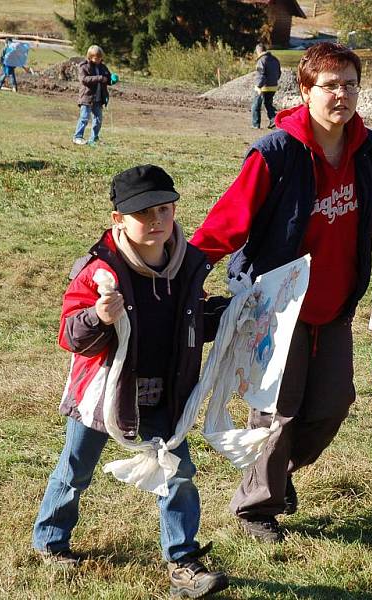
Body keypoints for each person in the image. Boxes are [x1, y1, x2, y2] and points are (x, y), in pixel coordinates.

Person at [191, 42, 372, 543]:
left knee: (334, 404)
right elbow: (230, 222)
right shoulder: (276, 153)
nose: (342, 94)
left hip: (336, 305)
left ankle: (276, 474)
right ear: (306, 90)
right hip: (280, 306)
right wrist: (184, 271)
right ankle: (257, 509)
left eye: (350, 84)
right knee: (277, 410)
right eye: (330, 85)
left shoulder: (367, 150)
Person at [32, 164, 230, 598]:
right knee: (75, 469)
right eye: (144, 214)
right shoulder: (100, 271)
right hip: (104, 395)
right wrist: (98, 317)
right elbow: (70, 335)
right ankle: (50, 539)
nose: (157, 221)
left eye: (164, 209)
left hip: (167, 394)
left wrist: (233, 314)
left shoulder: (188, 266)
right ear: (119, 219)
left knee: (177, 474)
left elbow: (192, 321)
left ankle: (183, 563)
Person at [73, 45, 116, 146]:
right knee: (84, 117)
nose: (98, 60)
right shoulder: (83, 66)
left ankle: (94, 138)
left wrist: (112, 79)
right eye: (96, 58)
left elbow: (107, 79)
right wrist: (100, 78)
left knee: (98, 119)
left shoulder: (103, 67)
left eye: (100, 57)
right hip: (86, 97)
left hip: (98, 98)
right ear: (90, 56)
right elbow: (84, 80)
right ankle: (77, 137)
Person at [252, 43, 281, 130]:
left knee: (255, 105)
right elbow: (279, 73)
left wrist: (258, 86)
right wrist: (274, 81)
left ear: (258, 51)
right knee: (268, 104)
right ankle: (274, 121)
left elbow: (261, 74)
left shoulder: (261, 60)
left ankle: (255, 125)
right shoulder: (275, 59)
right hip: (273, 86)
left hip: (263, 87)